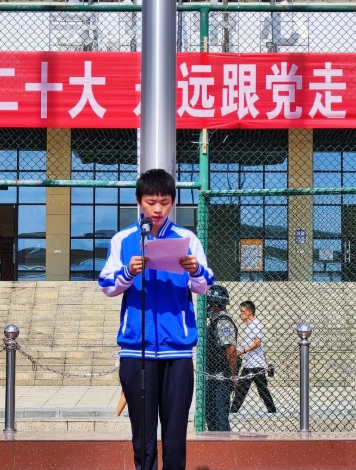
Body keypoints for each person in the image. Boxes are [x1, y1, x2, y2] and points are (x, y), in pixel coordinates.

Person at [98, 168, 213, 470]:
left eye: (164, 202)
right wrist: (128, 272)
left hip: (178, 352)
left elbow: (204, 285)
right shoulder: (123, 239)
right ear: (139, 202)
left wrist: (194, 270)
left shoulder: (187, 239)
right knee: (143, 437)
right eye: (151, 202)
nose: (158, 209)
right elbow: (107, 286)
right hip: (136, 351)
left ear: (173, 202)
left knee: (175, 437)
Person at [230, 301, 276, 415]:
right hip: (253, 364)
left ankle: (233, 411)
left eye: (242, 311)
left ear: (249, 312)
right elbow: (261, 347)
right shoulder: (251, 326)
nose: (240, 314)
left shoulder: (255, 325)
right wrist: (266, 362)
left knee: (248, 389)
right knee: (254, 389)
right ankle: (272, 410)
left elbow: (257, 343)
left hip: (254, 365)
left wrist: (242, 352)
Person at [205, 284, 238, 432]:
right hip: (213, 376)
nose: (208, 308)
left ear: (215, 305)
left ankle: (225, 445)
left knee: (219, 419)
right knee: (211, 417)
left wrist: (233, 375)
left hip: (221, 377)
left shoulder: (223, 321)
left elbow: (231, 350)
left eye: (210, 304)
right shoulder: (215, 321)